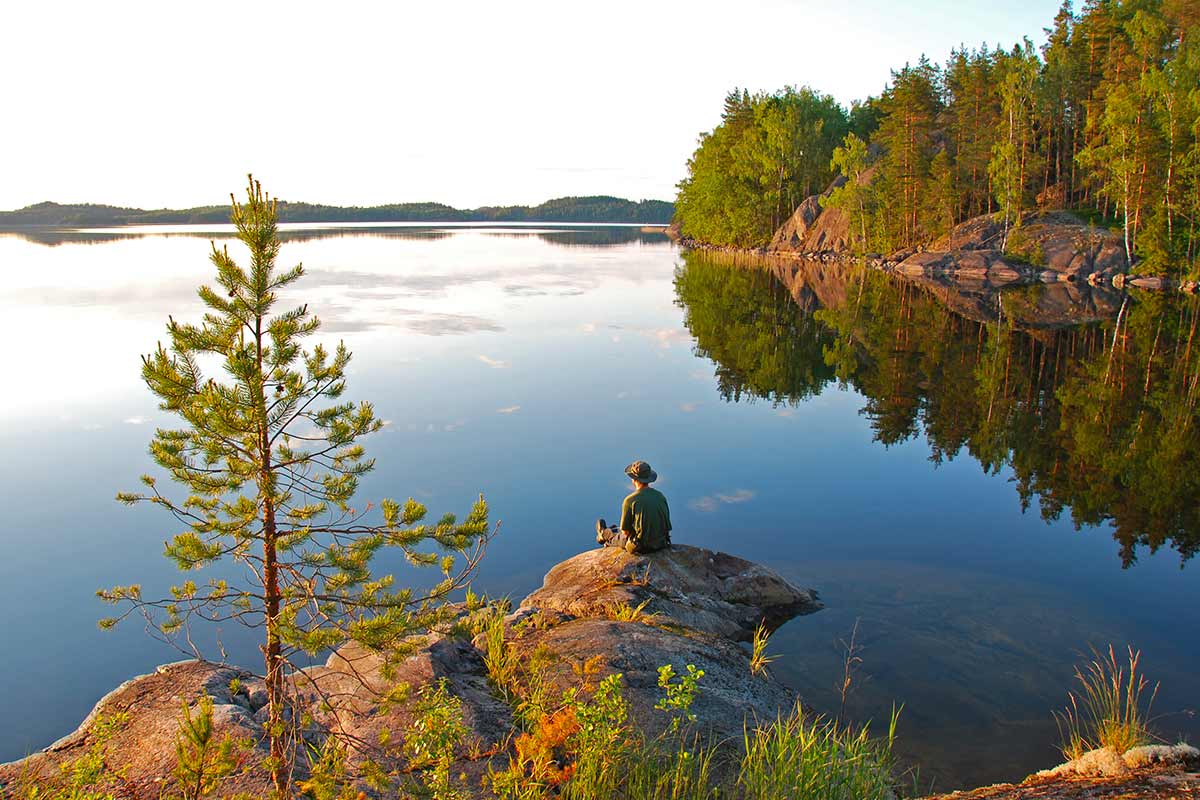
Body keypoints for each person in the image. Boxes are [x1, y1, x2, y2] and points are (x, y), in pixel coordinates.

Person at [596, 460, 672, 554]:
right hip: (661, 543)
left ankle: (604, 534)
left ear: (633, 479)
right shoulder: (660, 496)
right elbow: (667, 526)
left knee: (618, 538)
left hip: (642, 547)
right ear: (649, 478)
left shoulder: (630, 500)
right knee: (620, 533)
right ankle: (608, 532)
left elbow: (625, 532)